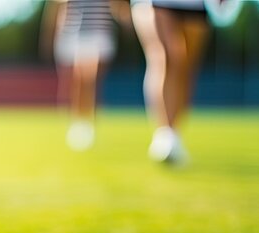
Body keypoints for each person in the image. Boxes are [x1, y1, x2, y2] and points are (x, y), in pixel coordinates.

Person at [41, 0, 130, 151]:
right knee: (78, 82)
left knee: (91, 80)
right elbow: (57, 8)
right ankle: (78, 123)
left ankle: (89, 124)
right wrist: (50, 37)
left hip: (100, 35)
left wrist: (127, 20)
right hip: (74, 34)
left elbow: (118, 6)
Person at [131, 0, 211, 164]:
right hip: (155, 3)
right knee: (165, 57)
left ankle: (174, 135)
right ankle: (163, 133)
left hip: (194, 5)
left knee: (186, 69)